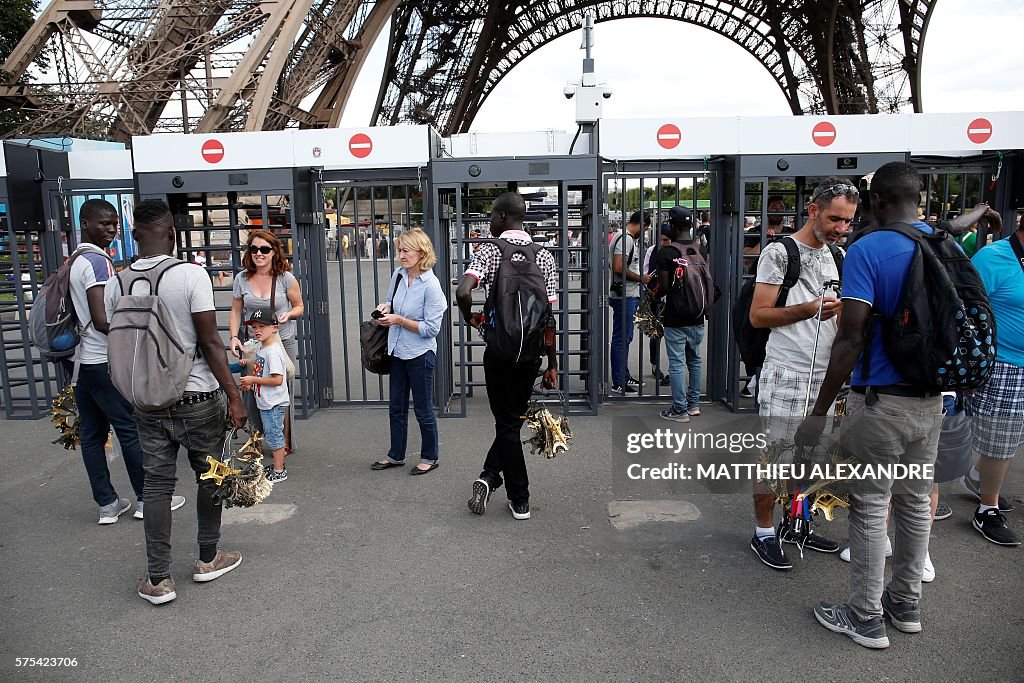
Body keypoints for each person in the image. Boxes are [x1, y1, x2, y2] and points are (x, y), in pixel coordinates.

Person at [796, 162, 946, 649]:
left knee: (869, 504)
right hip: (930, 400)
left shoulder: (869, 249)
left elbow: (851, 338)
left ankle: (864, 615)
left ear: (877, 201)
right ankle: (904, 603)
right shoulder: (941, 243)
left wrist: (819, 411)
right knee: (914, 502)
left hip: (880, 401)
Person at [104, 199, 247, 606]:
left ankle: (158, 579)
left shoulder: (119, 281)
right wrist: (234, 396)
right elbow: (209, 340)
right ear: (171, 234)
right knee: (210, 476)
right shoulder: (190, 275)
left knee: (157, 486)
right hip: (197, 395)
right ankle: (207, 557)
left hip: (147, 400)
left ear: (135, 234)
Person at [747, 177, 858, 570]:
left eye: (847, 222)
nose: (841, 228)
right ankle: (764, 531)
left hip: (828, 379)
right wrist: (809, 308)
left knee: (811, 459)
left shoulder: (840, 256)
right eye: (835, 219)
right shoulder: (780, 252)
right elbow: (758, 316)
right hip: (787, 372)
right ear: (813, 210)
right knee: (775, 457)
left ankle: (796, 523)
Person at [64, 199, 184, 524]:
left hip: (81, 363)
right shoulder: (98, 263)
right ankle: (147, 498)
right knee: (129, 429)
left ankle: (107, 504)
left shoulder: (74, 261)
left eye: (115, 223)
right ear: (85, 223)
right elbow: (102, 319)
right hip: (103, 361)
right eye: (103, 223)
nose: (111, 229)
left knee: (91, 434)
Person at [456, 192, 558, 521]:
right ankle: (489, 476)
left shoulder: (489, 250)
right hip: (530, 354)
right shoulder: (544, 256)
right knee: (511, 422)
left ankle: (520, 498)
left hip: (498, 351)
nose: (489, 221)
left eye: (491, 215)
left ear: (501, 217)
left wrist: (470, 317)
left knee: (507, 424)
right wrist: (552, 363)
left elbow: (462, 290)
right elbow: (548, 318)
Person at [963, 210, 1021, 546]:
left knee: (1012, 439)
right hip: (1004, 362)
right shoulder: (994, 257)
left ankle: (981, 480)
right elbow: (966, 307)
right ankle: (987, 508)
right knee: (1000, 441)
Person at [370, 229, 448, 475]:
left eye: (406, 251)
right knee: (396, 406)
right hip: (396, 350)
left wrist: (399, 320)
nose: (401, 255)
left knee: (423, 408)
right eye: (399, 250)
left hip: (420, 354)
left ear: (421, 252)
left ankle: (429, 456)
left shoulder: (432, 286)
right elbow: (391, 300)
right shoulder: (398, 275)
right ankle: (395, 455)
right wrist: (385, 308)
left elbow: (431, 329)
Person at [229, 230, 304, 453]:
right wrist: (234, 337)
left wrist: (289, 315)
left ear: (274, 252)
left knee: (280, 391)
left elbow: (299, 305)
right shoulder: (241, 278)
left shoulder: (285, 278)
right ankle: (256, 440)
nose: (259, 254)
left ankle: (283, 442)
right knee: (251, 390)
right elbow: (235, 311)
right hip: (254, 346)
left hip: (282, 342)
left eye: (264, 249)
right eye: (254, 249)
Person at [656, 207, 708, 423]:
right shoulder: (700, 250)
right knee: (694, 361)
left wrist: (653, 297)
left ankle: (679, 410)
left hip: (675, 316)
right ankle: (693, 404)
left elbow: (665, 287)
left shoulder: (667, 253)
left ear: (673, 226)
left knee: (676, 363)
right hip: (698, 315)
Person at [740, 196, 787, 397]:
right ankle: (754, 376)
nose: (777, 209)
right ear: (766, 210)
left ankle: (765, 381)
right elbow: (745, 260)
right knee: (750, 335)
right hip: (756, 291)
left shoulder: (794, 234)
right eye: (773, 207)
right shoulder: (754, 232)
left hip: (784, 294)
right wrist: (765, 240)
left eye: (781, 207)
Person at [239, 308, 291, 484]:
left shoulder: (273, 351)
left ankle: (279, 470)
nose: (257, 330)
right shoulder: (262, 349)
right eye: (254, 327)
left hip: (274, 402)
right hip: (266, 401)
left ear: (275, 328)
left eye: (262, 326)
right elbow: (262, 374)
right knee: (271, 433)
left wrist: (253, 379)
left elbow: (277, 380)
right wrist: (252, 384)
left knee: (275, 435)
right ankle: (277, 467)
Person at [608, 211, 651, 394]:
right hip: (624, 296)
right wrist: (641, 278)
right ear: (642, 224)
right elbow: (618, 267)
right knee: (621, 339)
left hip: (627, 295)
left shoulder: (622, 238)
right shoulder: (625, 239)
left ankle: (624, 376)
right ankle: (618, 381)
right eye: (647, 227)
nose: (646, 231)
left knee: (625, 338)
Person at [643, 224, 673, 385]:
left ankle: (672, 370)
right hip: (656, 297)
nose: (663, 243)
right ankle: (655, 365)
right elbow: (646, 272)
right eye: (661, 240)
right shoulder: (651, 251)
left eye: (666, 240)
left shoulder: (676, 251)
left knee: (673, 335)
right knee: (656, 333)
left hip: (673, 299)